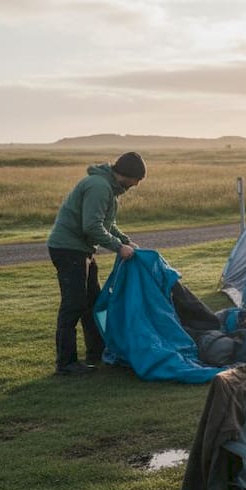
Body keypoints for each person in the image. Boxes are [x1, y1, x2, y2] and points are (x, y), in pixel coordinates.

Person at [46, 152, 145, 375]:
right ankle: (66, 363)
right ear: (128, 175)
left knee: (93, 301)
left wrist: (126, 241)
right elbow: (91, 226)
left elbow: (107, 224)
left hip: (82, 250)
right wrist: (119, 248)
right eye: (137, 180)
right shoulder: (99, 186)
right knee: (73, 305)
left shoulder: (109, 189)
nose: (136, 185)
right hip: (68, 249)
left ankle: (96, 351)